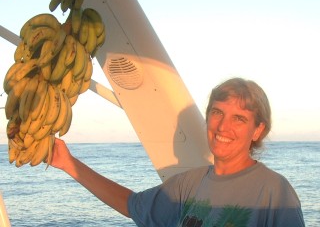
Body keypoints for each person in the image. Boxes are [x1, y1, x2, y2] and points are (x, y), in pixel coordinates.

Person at [50, 77, 305, 226]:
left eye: (238, 118)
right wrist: (69, 164)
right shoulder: (188, 184)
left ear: (257, 130)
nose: (223, 126)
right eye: (217, 113)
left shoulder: (275, 193)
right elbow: (132, 205)